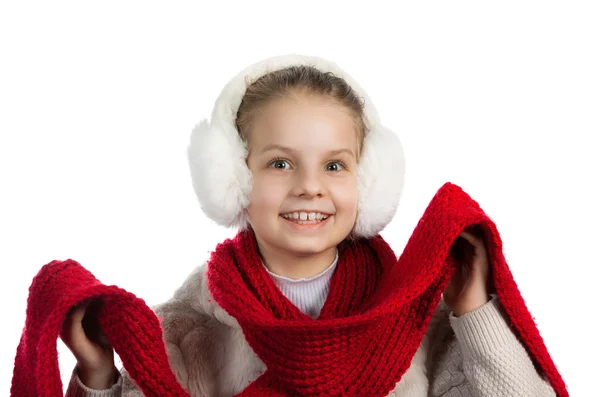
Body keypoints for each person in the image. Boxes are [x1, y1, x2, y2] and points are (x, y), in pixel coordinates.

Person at [61, 54, 557, 396]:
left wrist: (474, 311)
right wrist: (98, 374)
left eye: (335, 166)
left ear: (369, 180)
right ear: (233, 178)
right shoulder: (189, 326)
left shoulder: (408, 313)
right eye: (280, 164)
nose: (309, 186)